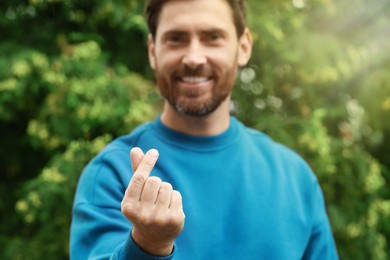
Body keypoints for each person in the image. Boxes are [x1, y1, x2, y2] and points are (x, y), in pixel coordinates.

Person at [70, 0, 339, 259]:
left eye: (213, 37)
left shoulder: (295, 178)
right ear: (153, 51)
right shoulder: (112, 173)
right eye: (176, 38)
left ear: (243, 47)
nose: (194, 58)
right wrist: (147, 246)